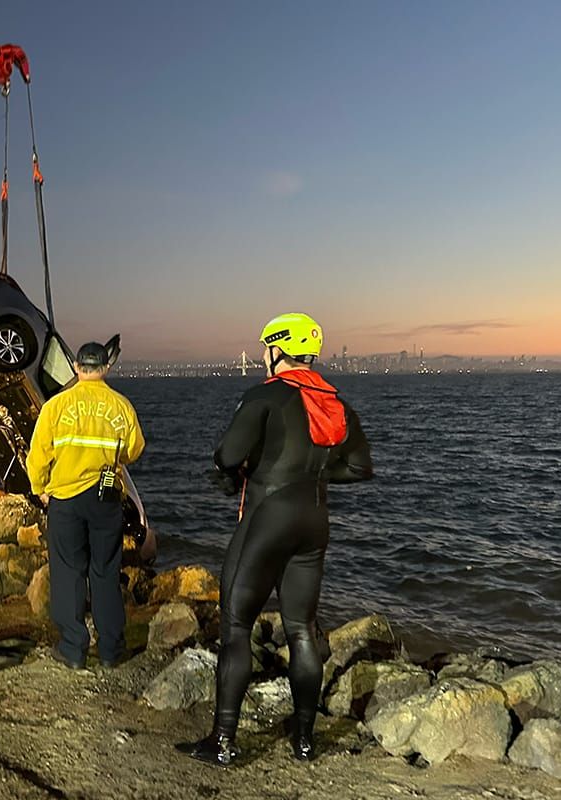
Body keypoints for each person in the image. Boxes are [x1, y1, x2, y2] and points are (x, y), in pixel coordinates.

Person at [179, 313, 373, 767]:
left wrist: (241, 472)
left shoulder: (264, 395)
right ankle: (304, 743)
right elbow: (361, 468)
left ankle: (223, 743)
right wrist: (316, 475)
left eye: (265, 348)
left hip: (268, 516)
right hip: (315, 518)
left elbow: (227, 454)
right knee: (302, 630)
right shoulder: (334, 401)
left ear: (276, 350)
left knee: (236, 628)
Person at [25, 341, 145, 670]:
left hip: (64, 499)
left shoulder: (56, 406)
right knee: (106, 571)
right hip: (105, 499)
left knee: (68, 573)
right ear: (105, 368)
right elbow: (134, 450)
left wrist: (40, 490)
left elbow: (37, 457)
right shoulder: (121, 406)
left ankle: (73, 648)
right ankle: (110, 650)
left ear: (77, 368)